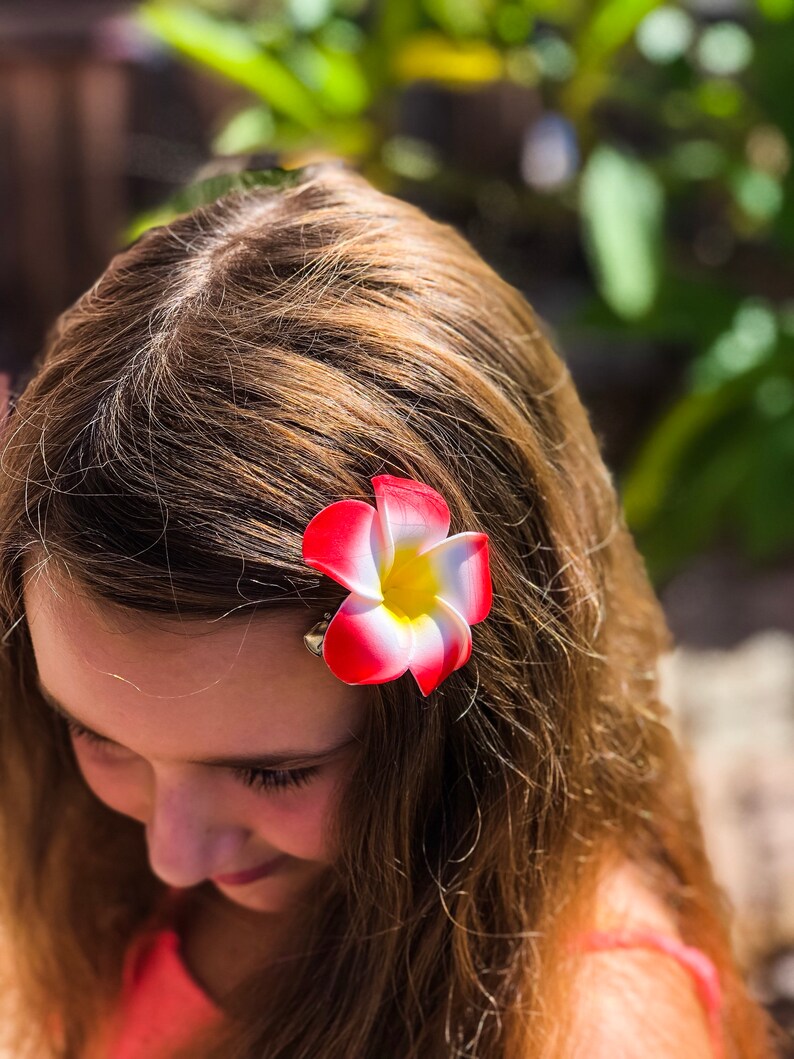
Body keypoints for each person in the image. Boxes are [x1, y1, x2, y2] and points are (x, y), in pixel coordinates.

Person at [0, 162, 781, 1059]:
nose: (172, 854)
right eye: (99, 736)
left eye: (276, 774)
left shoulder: (585, 1028)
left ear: (475, 712)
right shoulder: (110, 860)